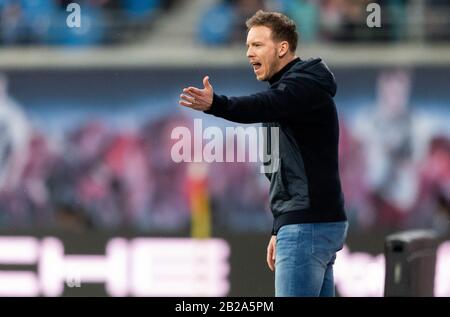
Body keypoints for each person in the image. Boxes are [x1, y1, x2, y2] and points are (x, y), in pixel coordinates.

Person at [179, 10, 348, 297]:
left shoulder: (303, 87)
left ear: (282, 48)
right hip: (304, 224)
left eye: (257, 45)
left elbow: (261, 105)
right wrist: (279, 227)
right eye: (247, 45)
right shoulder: (288, 94)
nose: (249, 53)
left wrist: (215, 104)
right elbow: (281, 173)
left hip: (306, 225)